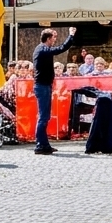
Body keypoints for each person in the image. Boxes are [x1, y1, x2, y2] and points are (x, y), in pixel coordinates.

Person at [31, 26, 76, 155]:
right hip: (42, 86)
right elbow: (61, 48)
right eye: (53, 38)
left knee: (44, 116)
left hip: (44, 86)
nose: (55, 40)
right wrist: (71, 35)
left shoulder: (41, 49)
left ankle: (44, 144)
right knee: (43, 117)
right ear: (49, 38)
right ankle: (40, 145)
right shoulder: (43, 49)